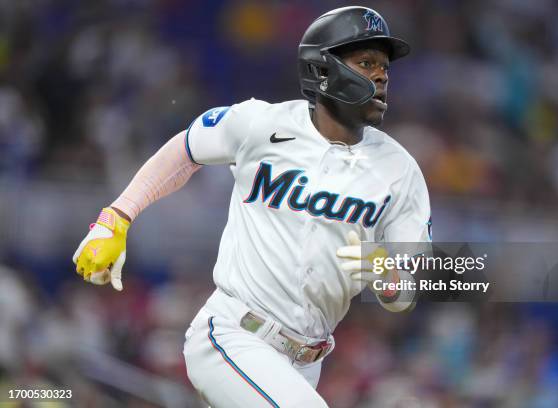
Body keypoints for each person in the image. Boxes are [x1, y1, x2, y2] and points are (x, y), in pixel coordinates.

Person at [73, 6, 431, 407]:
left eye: (384, 67)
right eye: (366, 62)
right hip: (233, 335)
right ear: (323, 68)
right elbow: (186, 148)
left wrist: (388, 275)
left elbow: (407, 291)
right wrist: (116, 217)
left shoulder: (401, 171)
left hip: (305, 363)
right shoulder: (261, 124)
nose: (381, 75)